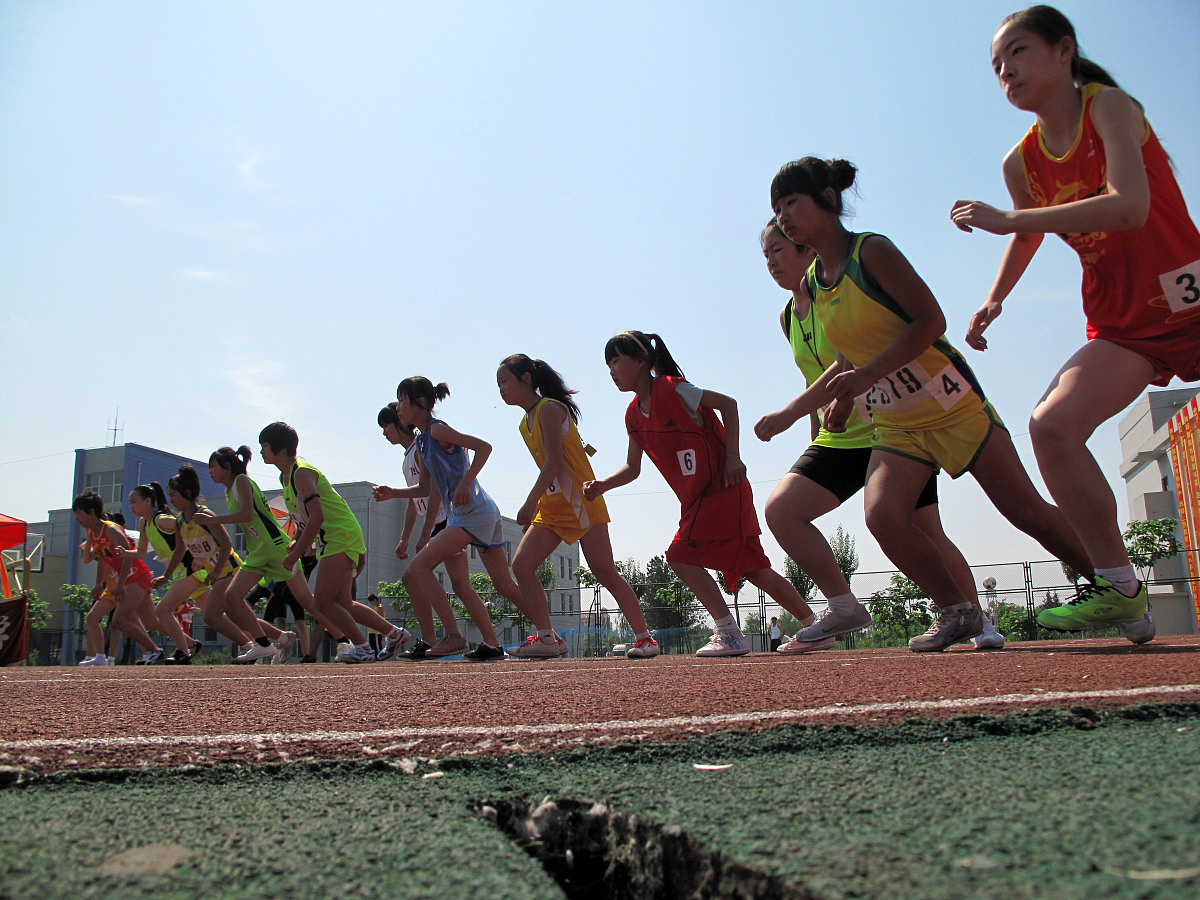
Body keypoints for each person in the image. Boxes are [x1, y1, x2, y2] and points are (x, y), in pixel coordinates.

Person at [770, 156, 1096, 651]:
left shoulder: (871, 251)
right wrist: (835, 399)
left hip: (951, 402)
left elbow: (931, 322)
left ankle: (1114, 584)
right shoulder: (816, 279)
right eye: (776, 208)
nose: (784, 216)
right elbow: (846, 356)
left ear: (829, 200)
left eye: (791, 202)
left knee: (1025, 511)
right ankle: (958, 612)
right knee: (883, 517)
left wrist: (864, 378)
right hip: (898, 423)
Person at [949, 5, 1198, 643]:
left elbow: (1131, 206)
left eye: (1020, 52)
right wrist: (996, 296)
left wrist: (1009, 221)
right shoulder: (1020, 163)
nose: (1006, 70)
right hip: (1123, 323)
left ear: (1064, 51)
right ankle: (1118, 588)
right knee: (1051, 427)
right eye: (996, 65)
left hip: (1191, 297)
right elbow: (1032, 233)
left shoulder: (1109, 107)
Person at [754, 220, 1005, 651]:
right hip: (838, 438)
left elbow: (845, 364)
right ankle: (843, 607)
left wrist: (789, 413)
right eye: (766, 255)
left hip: (889, 425)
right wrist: (813, 429)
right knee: (782, 511)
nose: (772, 261)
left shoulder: (833, 295)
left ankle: (977, 620)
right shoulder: (786, 317)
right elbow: (814, 373)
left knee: (926, 530)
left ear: (808, 249)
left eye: (780, 249)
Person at [583, 331, 822, 657]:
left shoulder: (674, 387)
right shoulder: (633, 415)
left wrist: (733, 457)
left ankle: (728, 631)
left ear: (641, 361)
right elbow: (632, 467)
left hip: (722, 490)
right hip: (697, 499)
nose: (611, 369)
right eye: (607, 363)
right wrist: (602, 486)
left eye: (616, 360)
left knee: (679, 555)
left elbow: (728, 404)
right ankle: (815, 625)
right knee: (754, 568)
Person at [497, 353, 658, 659]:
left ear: (526, 379)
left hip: (581, 500)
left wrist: (530, 502)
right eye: (498, 384)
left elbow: (555, 462)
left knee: (604, 571)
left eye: (505, 381)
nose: (501, 389)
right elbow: (550, 466)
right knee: (521, 565)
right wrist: (539, 503)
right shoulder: (524, 423)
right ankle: (547, 638)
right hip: (554, 506)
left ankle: (645, 639)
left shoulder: (549, 408)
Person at [380, 377, 529, 662]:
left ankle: (452, 636)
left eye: (402, 400)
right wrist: (393, 493)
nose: (398, 408)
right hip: (468, 516)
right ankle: (519, 638)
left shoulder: (437, 430)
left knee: (418, 569)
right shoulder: (424, 440)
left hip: (472, 514)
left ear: (420, 403)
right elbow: (428, 489)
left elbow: (484, 447)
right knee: (494, 585)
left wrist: (465, 482)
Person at [258, 423, 411, 663]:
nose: (261, 452)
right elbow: (303, 519)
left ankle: (362, 647)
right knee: (342, 604)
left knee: (322, 602)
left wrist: (296, 553)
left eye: (264, 446)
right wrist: (296, 541)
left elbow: (317, 516)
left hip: (340, 536)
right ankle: (393, 633)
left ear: (280, 448)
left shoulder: (301, 473)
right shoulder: (286, 476)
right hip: (336, 537)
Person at [154, 464, 278, 663]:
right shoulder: (179, 522)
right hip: (216, 573)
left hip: (228, 568)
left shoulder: (205, 515)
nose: (171, 501)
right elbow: (179, 551)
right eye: (169, 496)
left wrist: (216, 571)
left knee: (212, 616)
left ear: (187, 492)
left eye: (174, 496)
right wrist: (166, 576)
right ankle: (275, 639)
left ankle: (255, 645)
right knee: (234, 614)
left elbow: (226, 543)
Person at [373, 403, 469, 660]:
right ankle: (465, 639)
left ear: (399, 422)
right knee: (460, 586)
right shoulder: (409, 455)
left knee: (414, 575)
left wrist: (426, 533)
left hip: (447, 522)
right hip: (442, 523)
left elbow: (433, 489)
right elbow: (414, 501)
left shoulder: (420, 449)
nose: (384, 434)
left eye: (386, 427)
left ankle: (444, 637)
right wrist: (405, 537)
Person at [72, 490, 163, 666]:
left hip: (136, 577)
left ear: (91, 512)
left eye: (79, 514)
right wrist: (89, 536)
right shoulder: (93, 532)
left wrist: (120, 584)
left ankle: (156, 650)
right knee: (93, 618)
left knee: (122, 620)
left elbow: (128, 556)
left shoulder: (111, 530)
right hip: (119, 582)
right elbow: (87, 559)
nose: (77, 518)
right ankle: (100, 657)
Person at [119, 482, 207, 664]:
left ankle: (184, 650)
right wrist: (124, 553)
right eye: (130, 502)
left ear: (147, 501)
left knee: (163, 610)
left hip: (193, 569)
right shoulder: (144, 523)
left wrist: (198, 552)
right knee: (217, 614)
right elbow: (141, 553)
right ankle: (268, 638)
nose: (131, 506)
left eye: (134, 501)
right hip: (182, 572)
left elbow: (184, 523)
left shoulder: (161, 520)